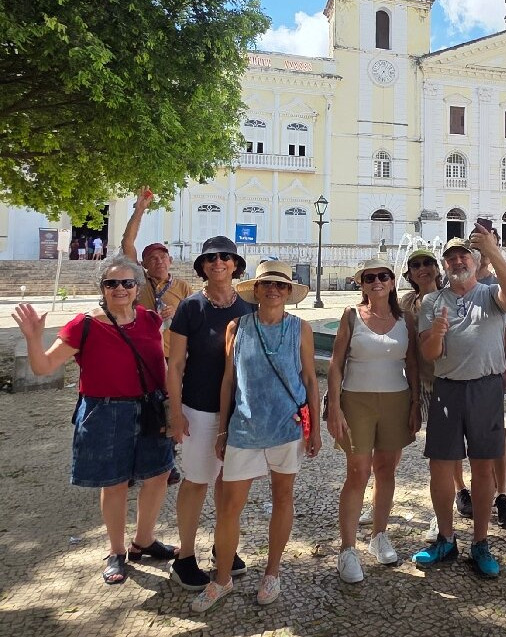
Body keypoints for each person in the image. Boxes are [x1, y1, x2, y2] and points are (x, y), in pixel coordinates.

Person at [13, 255, 176, 585]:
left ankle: (144, 540)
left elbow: (160, 363)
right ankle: (116, 551)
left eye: (127, 283)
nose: (120, 289)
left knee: (158, 475)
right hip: (105, 411)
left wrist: (172, 406)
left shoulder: (149, 320)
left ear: (137, 287)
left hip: (150, 408)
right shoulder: (84, 324)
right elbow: (43, 367)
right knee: (114, 483)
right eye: (111, 283)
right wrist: (33, 337)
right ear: (102, 288)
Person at [191, 261, 321, 612]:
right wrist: (223, 428)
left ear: (288, 292)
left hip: (286, 426)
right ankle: (222, 578)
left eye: (280, 285)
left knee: (283, 497)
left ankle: (272, 572)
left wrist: (315, 428)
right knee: (229, 506)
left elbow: (310, 379)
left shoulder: (301, 328)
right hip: (245, 428)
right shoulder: (237, 327)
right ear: (257, 290)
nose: (273, 290)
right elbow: (228, 381)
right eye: (267, 284)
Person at [412, 230, 506, 578]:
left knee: (484, 467)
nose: (458, 261)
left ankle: (480, 541)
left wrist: (492, 249)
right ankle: (446, 538)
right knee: (440, 466)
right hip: (447, 388)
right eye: (451, 258)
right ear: (444, 266)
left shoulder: (490, 293)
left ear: (474, 262)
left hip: (485, 388)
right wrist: (437, 333)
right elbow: (430, 354)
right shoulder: (432, 301)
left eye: (464, 256)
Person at [166, 236, 255, 590]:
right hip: (200, 408)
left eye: (225, 257)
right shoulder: (191, 307)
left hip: (237, 411)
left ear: (235, 265)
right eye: (211, 258)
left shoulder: (247, 308)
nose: (218, 262)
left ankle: (223, 545)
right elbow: (175, 365)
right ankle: (185, 556)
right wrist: (176, 413)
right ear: (202, 266)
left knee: (229, 483)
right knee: (197, 480)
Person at [327, 258, 419, 584]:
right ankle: (347, 549)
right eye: (369, 278)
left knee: (386, 470)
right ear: (362, 284)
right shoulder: (351, 315)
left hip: (396, 400)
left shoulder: (406, 319)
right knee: (358, 472)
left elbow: (413, 364)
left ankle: (379, 535)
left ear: (392, 282)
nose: (376, 282)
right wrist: (334, 405)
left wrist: (416, 404)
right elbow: (336, 363)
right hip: (357, 401)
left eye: (383, 276)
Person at [399, 248, 446, 540]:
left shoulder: (448, 298)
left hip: (443, 381)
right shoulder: (405, 303)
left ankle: (440, 515)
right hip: (414, 382)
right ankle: (379, 501)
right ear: (409, 273)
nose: (422, 268)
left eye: (428, 262)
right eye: (415, 264)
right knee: (392, 445)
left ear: (437, 269)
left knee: (440, 452)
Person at [474, 226, 506, 526]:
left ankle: (502, 492)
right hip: (461, 371)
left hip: (490, 369)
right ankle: (462, 490)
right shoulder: (455, 279)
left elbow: (505, 330)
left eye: (490, 243)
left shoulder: (497, 280)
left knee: (496, 433)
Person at [120, 187, 194, 361]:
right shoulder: (139, 281)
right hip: (143, 353)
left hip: (173, 356)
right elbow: (127, 243)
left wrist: (177, 313)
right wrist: (139, 210)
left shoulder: (183, 287)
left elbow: (194, 319)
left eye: (163, 257)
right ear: (144, 264)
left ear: (170, 261)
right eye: (152, 258)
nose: (159, 261)